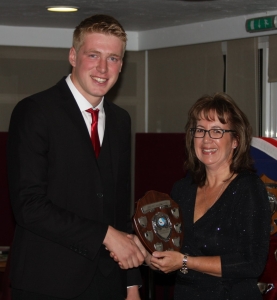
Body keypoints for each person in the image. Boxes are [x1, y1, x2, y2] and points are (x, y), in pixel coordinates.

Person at [7, 14, 144, 300]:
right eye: (93, 55)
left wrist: (131, 284)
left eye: (114, 58)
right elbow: (29, 207)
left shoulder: (121, 121)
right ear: (73, 55)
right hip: (46, 282)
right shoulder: (35, 112)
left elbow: (120, 208)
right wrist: (104, 235)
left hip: (107, 283)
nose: (103, 68)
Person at [130, 93, 271, 299]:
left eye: (216, 131)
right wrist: (148, 256)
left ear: (235, 140)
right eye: (200, 130)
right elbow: (169, 249)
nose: (206, 139)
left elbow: (251, 263)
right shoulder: (182, 189)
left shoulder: (249, 189)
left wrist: (185, 261)